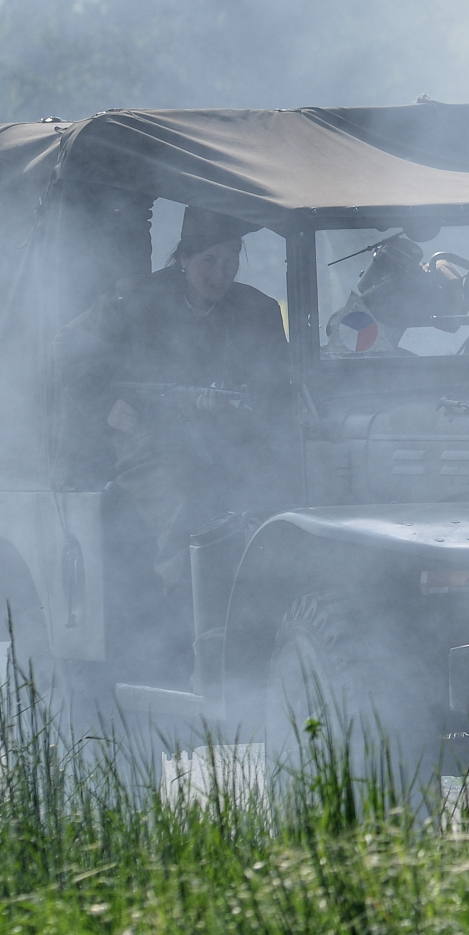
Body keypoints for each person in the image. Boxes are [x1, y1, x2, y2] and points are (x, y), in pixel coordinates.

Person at [57, 205, 293, 674]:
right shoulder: (133, 300)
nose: (220, 274)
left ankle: (264, 641)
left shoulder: (258, 310)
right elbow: (67, 351)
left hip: (235, 443)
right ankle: (193, 650)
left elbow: (278, 385)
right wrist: (104, 404)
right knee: (183, 506)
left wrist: (239, 411)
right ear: (183, 259)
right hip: (150, 443)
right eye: (208, 260)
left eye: (229, 261)